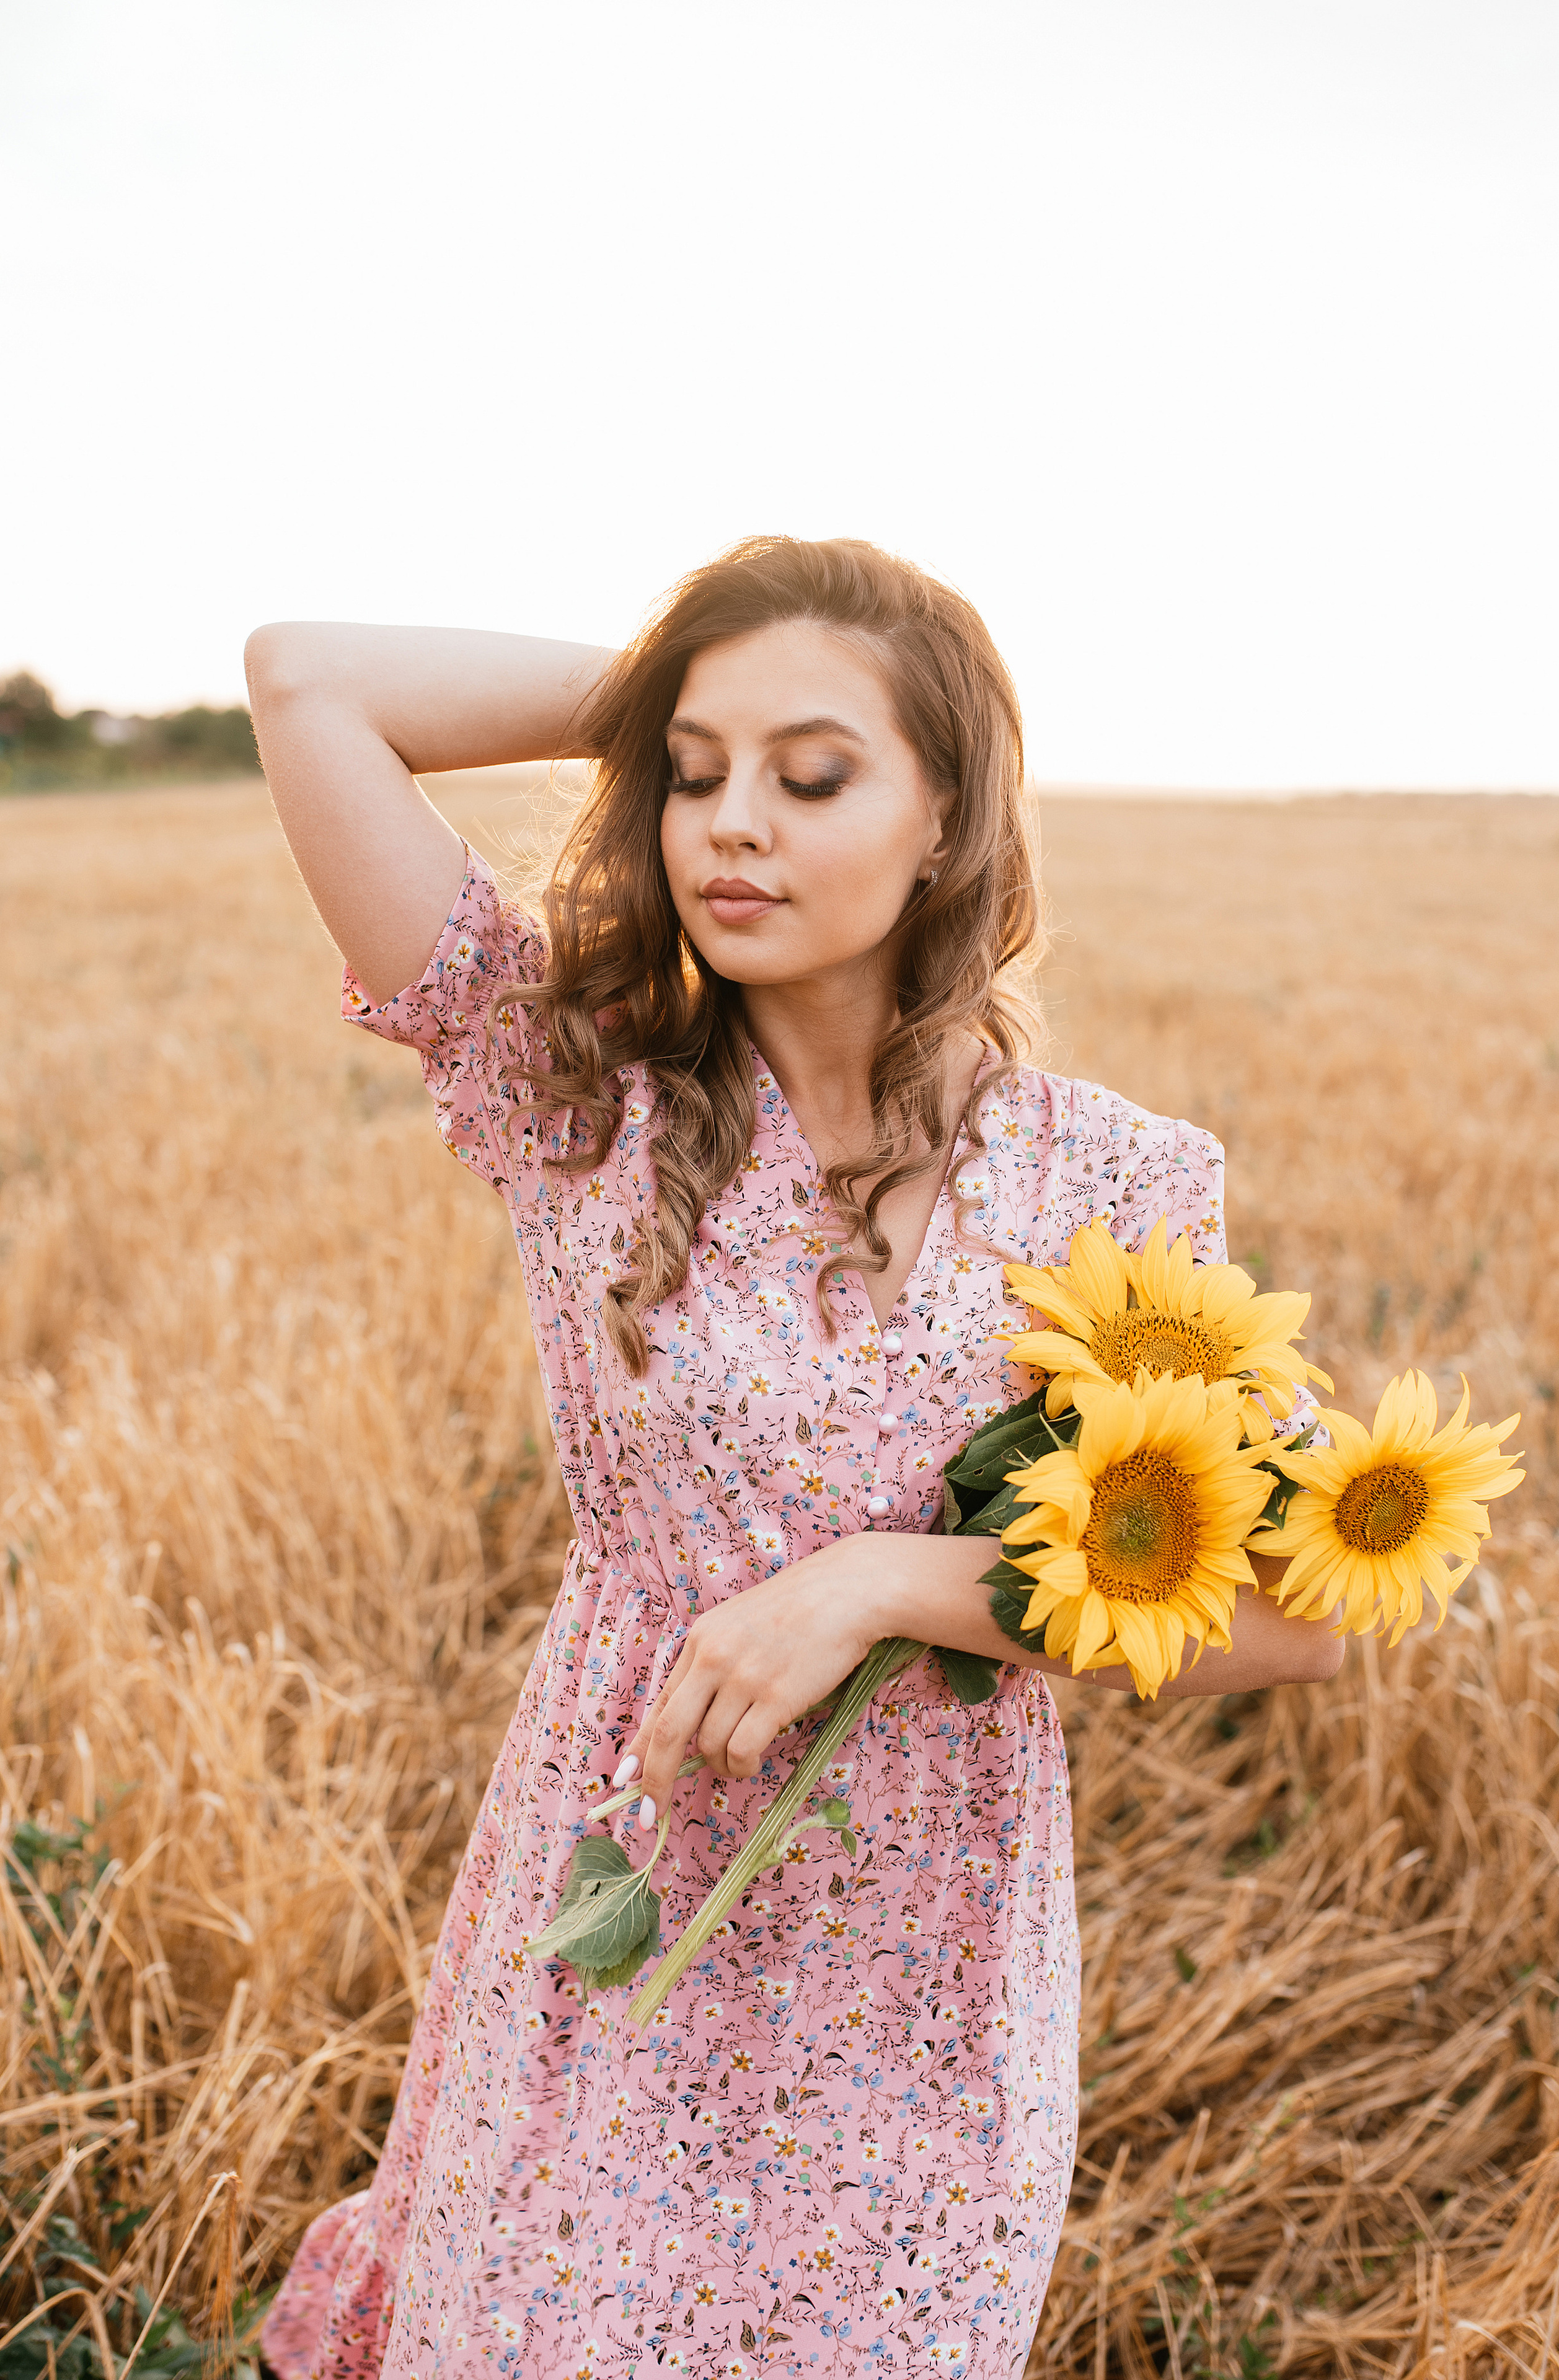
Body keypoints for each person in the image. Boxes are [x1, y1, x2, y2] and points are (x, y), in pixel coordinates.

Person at [249, 537, 1343, 2378]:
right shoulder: (581, 1088)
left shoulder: (1114, 1185)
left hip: (920, 1991)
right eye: (694, 775)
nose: (730, 824)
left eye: (812, 773)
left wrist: (898, 1582)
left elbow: (1300, 1611)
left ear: (945, 815)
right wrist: (701, 674)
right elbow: (307, 681)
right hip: (621, 1920)